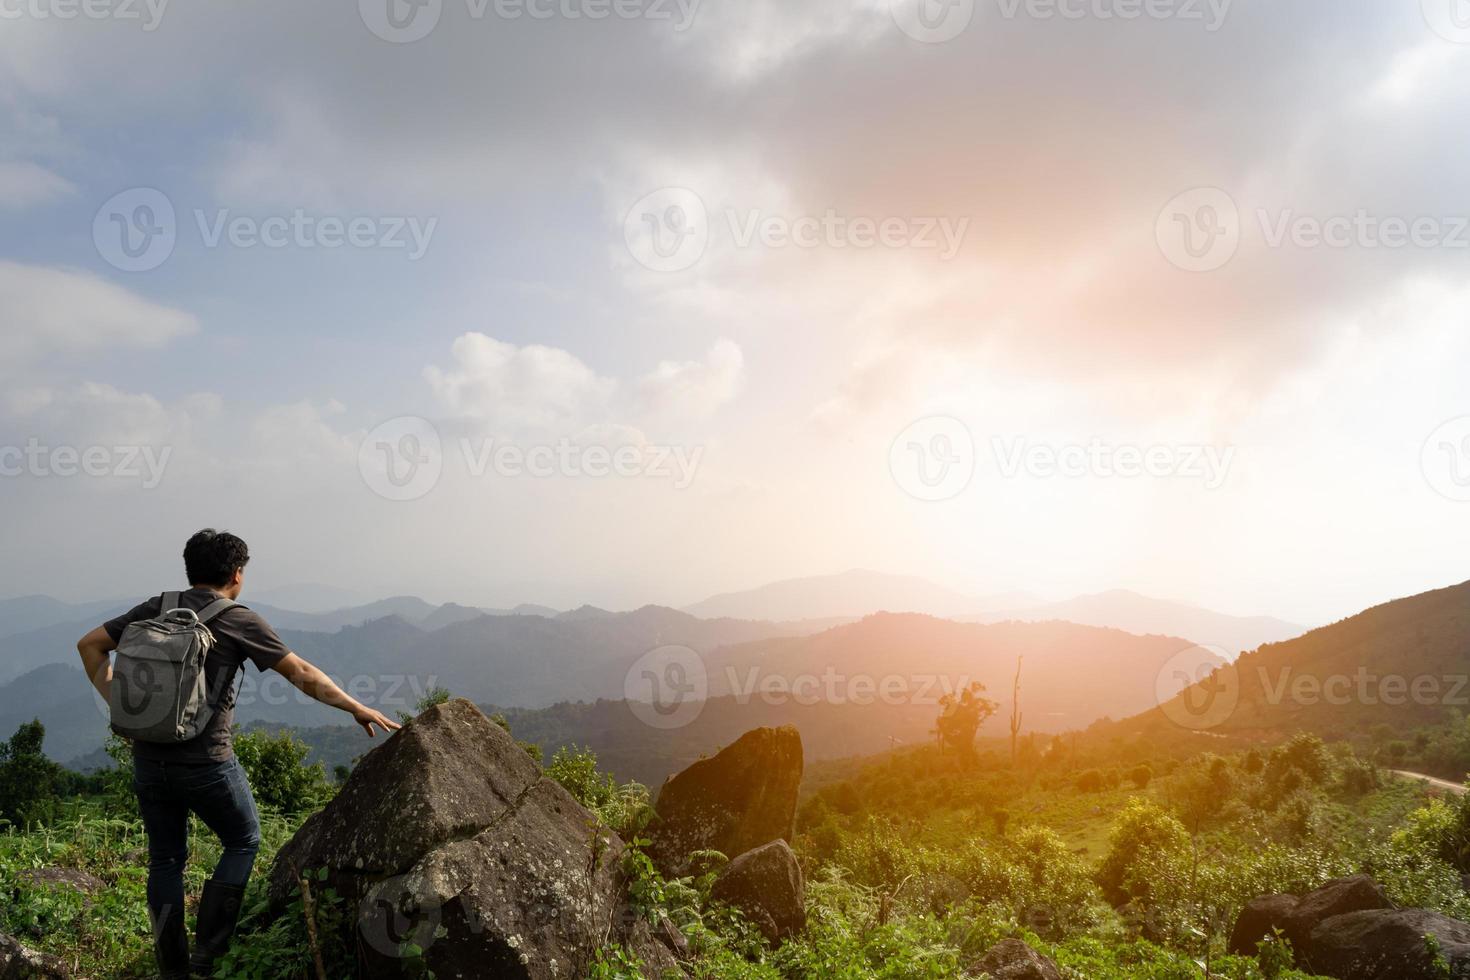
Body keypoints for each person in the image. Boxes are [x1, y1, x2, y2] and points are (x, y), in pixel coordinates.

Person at [76, 529, 401, 979]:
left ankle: (172, 969)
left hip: (150, 761)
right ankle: (207, 956)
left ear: (190, 570)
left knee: (165, 860)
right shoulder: (238, 619)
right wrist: (356, 706)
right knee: (243, 839)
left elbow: (88, 645)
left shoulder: (157, 607)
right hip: (208, 763)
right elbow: (301, 672)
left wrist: (120, 705)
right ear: (236, 574)